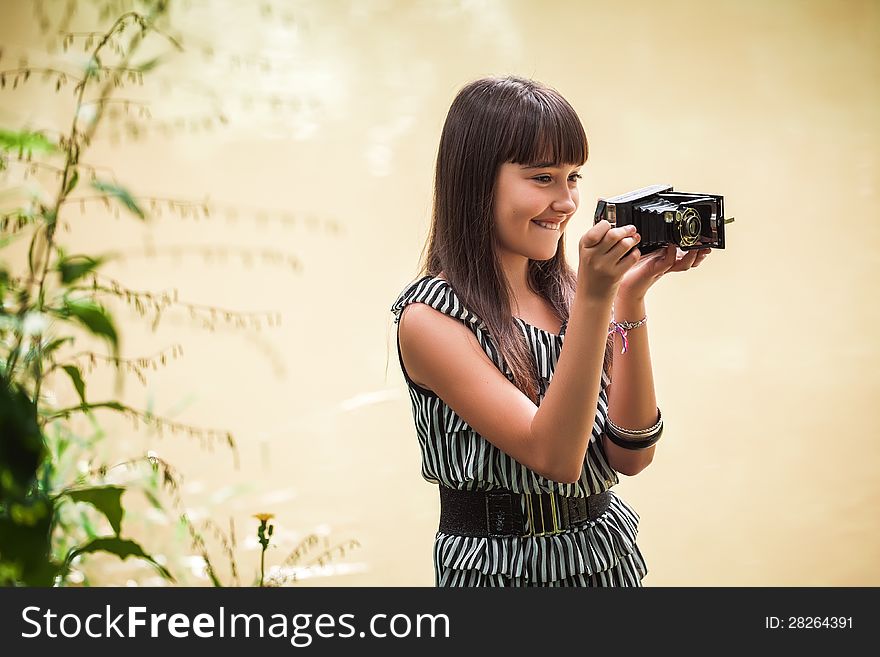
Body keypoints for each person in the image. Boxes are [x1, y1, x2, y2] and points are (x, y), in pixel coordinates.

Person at [389, 75, 711, 587]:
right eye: (542, 178)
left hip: (604, 559)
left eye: (574, 176)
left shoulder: (571, 295)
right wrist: (595, 300)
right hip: (500, 571)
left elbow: (631, 455)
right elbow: (555, 458)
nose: (567, 202)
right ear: (476, 182)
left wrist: (627, 299)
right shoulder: (431, 319)